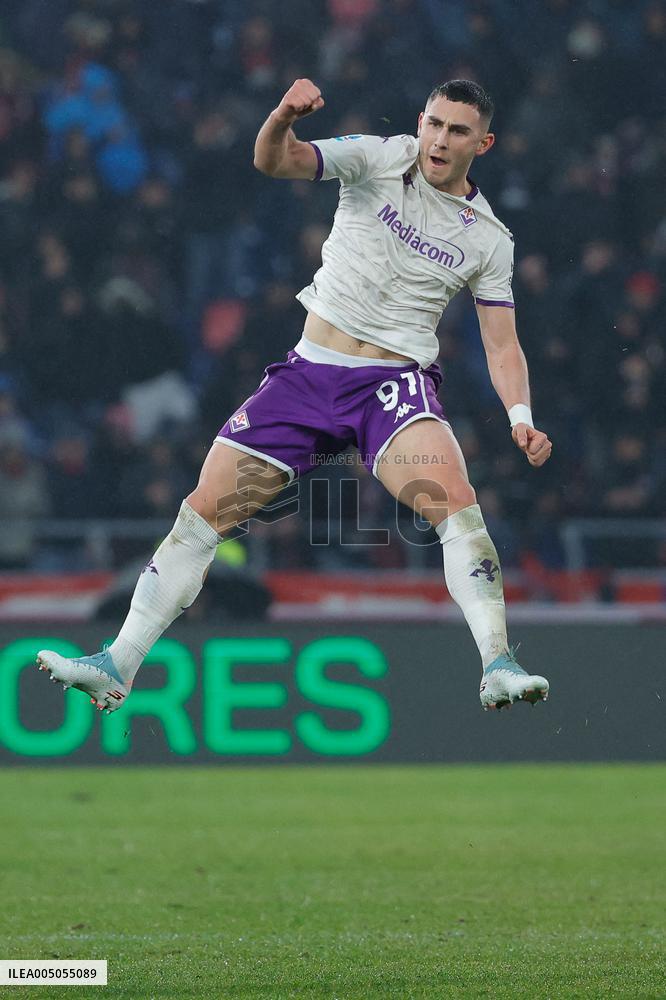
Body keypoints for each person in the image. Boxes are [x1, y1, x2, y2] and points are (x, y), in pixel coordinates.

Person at [38, 78, 552, 714]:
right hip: (308, 375)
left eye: (458, 131)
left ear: (485, 142)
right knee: (201, 515)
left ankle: (497, 662)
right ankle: (117, 664)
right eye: (435, 124)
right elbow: (273, 160)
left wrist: (520, 417)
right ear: (420, 122)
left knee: (456, 506)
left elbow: (502, 345)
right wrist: (283, 115)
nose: (441, 140)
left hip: (390, 385)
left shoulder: (488, 238)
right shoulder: (377, 156)